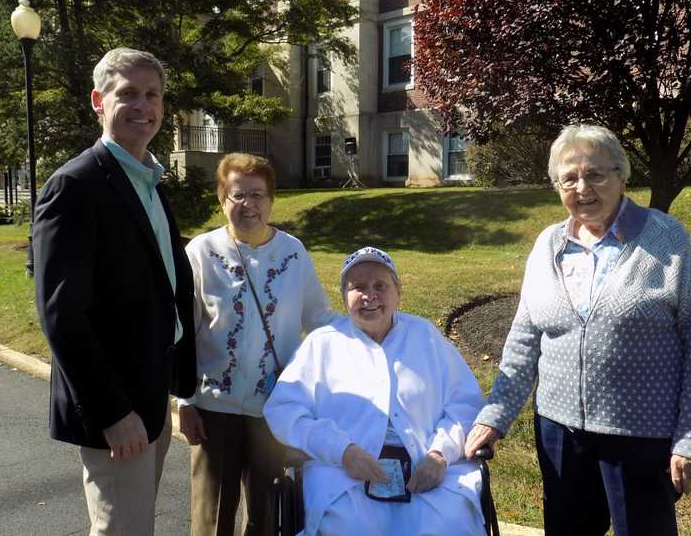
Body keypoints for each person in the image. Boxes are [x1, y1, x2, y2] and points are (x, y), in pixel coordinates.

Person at [464, 124, 691, 536]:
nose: (582, 187)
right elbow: (524, 340)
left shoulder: (666, 240)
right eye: (568, 177)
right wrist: (495, 416)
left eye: (596, 174)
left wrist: (687, 438)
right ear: (556, 186)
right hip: (560, 434)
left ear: (623, 177)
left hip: (641, 436)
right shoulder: (548, 244)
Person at [33, 47, 197, 535]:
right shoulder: (76, 185)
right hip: (119, 409)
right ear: (98, 101)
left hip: (152, 394)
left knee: (135, 524)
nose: (143, 106)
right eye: (127, 94)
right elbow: (62, 315)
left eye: (153, 95)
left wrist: (177, 390)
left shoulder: (148, 180)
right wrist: (113, 414)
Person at [264, 247, 487, 536]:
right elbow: (283, 410)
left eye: (380, 286)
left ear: (398, 292)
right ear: (344, 295)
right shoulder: (322, 344)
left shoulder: (425, 336)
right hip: (344, 475)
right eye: (358, 287)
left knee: (450, 524)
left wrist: (440, 454)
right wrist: (342, 451)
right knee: (349, 526)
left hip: (426, 471)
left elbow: (465, 403)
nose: (370, 296)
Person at [178, 152, 338, 536]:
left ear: (271, 200)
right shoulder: (201, 251)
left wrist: (373, 331)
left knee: (268, 510)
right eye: (238, 195)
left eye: (258, 195)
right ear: (222, 198)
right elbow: (183, 332)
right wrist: (184, 401)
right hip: (213, 407)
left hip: (274, 407)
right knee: (211, 515)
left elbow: (319, 320)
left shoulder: (293, 253)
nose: (248, 204)